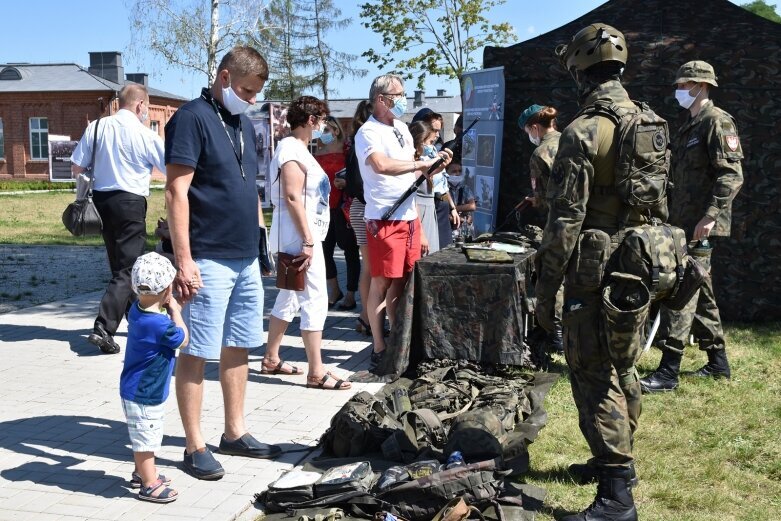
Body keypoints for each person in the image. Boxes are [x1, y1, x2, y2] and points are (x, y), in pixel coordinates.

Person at [536, 24, 668, 520]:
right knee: (623, 361)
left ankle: (616, 498)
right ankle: (618, 464)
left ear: (578, 71)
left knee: (592, 371)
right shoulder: (651, 122)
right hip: (638, 261)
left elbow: (565, 220)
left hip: (595, 269)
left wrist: (546, 289)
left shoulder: (583, 130)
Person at [164, 46, 281, 481]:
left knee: (239, 345)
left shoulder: (244, 124)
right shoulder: (191, 119)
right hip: (206, 257)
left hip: (245, 257)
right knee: (196, 350)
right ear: (226, 77)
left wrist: (261, 242)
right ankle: (194, 445)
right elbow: (176, 192)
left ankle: (234, 432)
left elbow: (248, 189)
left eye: (256, 94)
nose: (253, 100)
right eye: (248, 91)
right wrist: (184, 260)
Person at [639, 61, 743, 393]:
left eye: (682, 84)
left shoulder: (717, 121)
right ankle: (718, 362)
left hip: (700, 225)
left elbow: (731, 174)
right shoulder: (691, 124)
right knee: (700, 288)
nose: (678, 90)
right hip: (682, 223)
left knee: (682, 291)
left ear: (699, 85)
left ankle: (668, 370)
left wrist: (710, 215)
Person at [355, 74, 451, 372]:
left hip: (409, 218)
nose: (403, 99)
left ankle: (401, 339)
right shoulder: (367, 132)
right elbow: (381, 166)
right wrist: (419, 164)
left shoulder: (401, 129)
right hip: (384, 219)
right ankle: (379, 346)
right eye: (398, 94)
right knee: (380, 283)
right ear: (381, 99)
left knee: (405, 280)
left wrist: (434, 166)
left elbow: (415, 173)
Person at [263, 96, 352, 391]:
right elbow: (291, 196)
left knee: (289, 296)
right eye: (323, 120)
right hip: (298, 235)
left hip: (301, 233)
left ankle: (271, 358)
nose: (325, 127)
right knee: (314, 297)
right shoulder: (291, 149)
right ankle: (316, 371)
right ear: (311, 120)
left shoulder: (300, 149)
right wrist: (308, 240)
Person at [70, 84, 165, 355]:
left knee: (119, 268)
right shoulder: (145, 134)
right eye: (146, 107)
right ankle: (103, 327)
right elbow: (170, 164)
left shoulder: (97, 128)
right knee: (128, 270)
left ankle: (139, 322)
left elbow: (77, 167)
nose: (146, 112)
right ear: (140, 106)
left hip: (101, 203)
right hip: (131, 203)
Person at [120, 252, 186, 503]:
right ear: (168, 288)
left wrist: (165, 307)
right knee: (146, 438)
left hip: (137, 389)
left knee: (145, 434)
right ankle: (149, 484)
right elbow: (182, 338)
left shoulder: (137, 310)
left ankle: (143, 472)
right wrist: (176, 311)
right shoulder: (161, 325)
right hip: (144, 392)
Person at [519, 104, 564, 354]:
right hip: (587, 219)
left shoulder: (540, 153)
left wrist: (535, 199)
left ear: (534, 127)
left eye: (528, 130)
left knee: (552, 278)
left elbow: (544, 197)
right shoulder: (572, 141)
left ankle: (556, 336)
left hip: (557, 224)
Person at [315, 116, 360, 310]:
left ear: (336, 130)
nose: (325, 134)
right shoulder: (316, 149)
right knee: (324, 251)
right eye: (322, 130)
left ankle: (350, 294)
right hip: (323, 207)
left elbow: (355, 174)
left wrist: (347, 184)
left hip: (343, 206)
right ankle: (334, 290)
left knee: (349, 250)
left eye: (329, 130)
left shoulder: (346, 148)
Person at [346, 101, 375, 336]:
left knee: (370, 266)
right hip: (365, 208)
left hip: (362, 207)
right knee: (369, 267)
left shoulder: (356, 142)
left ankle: (368, 317)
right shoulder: (362, 143)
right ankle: (366, 317)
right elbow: (357, 183)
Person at [409, 120, 439, 254]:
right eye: (430, 142)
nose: (432, 147)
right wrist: (420, 232)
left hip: (429, 211)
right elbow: (412, 200)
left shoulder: (423, 161)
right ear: (420, 140)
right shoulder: (411, 164)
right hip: (419, 213)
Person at [447, 162, 476, 241]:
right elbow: (444, 214)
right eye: (454, 171)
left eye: (460, 171)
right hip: (449, 231)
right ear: (446, 173)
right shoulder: (443, 189)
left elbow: (472, 206)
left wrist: (453, 209)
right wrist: (462, 219)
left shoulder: (464, 188)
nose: (457, 173)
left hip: (464, 231)